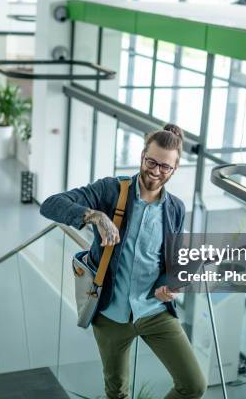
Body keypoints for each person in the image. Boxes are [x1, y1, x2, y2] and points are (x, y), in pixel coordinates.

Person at [40, 124, 207, 399]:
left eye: (165, 167)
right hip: (110, 314)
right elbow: (51, 203)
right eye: (151, 161)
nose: (155, 171)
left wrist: (169, 285)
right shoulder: (111, 190)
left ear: (174, 169)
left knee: (194, 385)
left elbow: (172, 261)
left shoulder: (175, 208)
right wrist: (95, 216)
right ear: (142, 156)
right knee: (116, 392)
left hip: (154, 310)